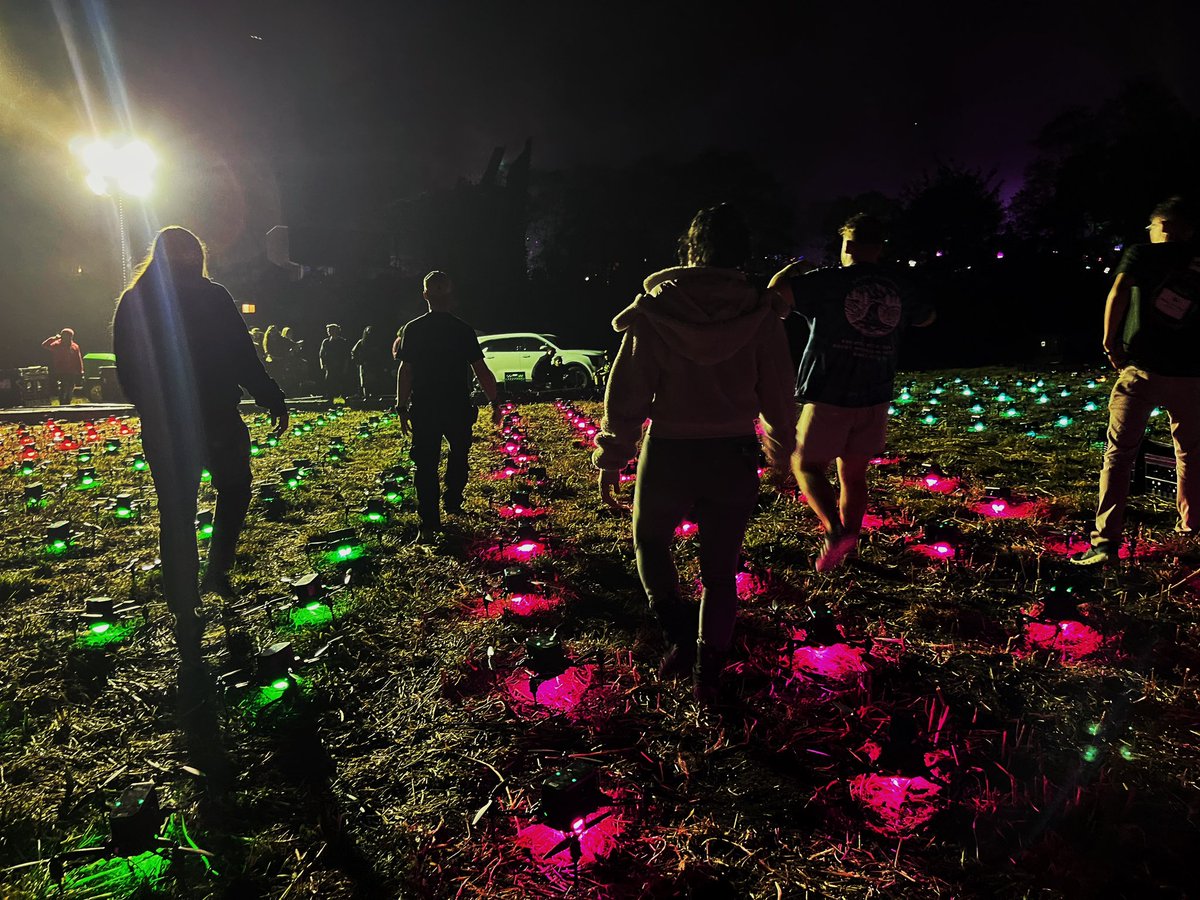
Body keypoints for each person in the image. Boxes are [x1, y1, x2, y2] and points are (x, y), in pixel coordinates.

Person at [592, 204, 796, 706]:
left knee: (650, 542)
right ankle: (708, 670)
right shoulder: (760, 313)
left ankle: (681, 639)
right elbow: (778, 392)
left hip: (669, 451)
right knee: (720, 570)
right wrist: (782, 454)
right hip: (732, 450)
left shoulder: (657, 310)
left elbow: (627, 393)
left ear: (691, 248)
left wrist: (613, 456)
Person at [113, 226, 289, 668]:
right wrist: (267, 394)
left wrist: (268, 394)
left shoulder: (146, 299)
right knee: (200, 501)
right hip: (199, 417)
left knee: (191, 504)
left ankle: (196, 590)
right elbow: (237, 354)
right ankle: (199, 586)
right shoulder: (174, 298)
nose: (189, 259)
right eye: (184, 252)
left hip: (185, 420)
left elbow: (239, 352)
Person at [769, 213, 935, 573]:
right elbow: (927, 318)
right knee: (854, 475)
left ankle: (835, 531)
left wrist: (789, 271)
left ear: (848, 246)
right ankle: (851, 545)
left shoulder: (829, 282)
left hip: (830, 392)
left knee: (806, 464)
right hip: (876, 394)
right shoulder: (898, 286)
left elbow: (773, 300)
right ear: (879, 247)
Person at [1073, 196, 1200, 565]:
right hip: (1191, 374)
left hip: (1142, 368)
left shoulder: (1142, 254)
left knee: (1120, 453)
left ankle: (1105, 542)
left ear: (1161, 226)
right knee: (1191, 453)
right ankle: (1191, 531)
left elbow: (1119, 292)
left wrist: (1110, 343)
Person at [395, 271, 500, 542]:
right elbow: (481, 369)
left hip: (425, 405)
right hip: (456, 404)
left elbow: (406, 371)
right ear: (450, 296)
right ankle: (453, 499)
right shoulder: (462, 330)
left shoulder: (413, 329)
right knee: (459, 454)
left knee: (426, 464)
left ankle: (429, 522)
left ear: (426, 295)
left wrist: (401, 406)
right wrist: (495, 402)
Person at [42, 328, 84, 404]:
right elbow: (45, 345)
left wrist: (80, 371)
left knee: (70, 387)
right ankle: (62, 402)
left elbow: (78, 359)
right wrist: (54, 338)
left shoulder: (75, 347)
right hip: (61, 371)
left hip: (72, 371)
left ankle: (68, 402)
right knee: (64, 387)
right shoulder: (57, 345)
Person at [352, 325, 392, 402]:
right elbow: (353, 352)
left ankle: (375, 396)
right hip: (364, 364)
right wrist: (358, 361)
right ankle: (366, 396)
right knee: (364, 381)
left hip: (374, 365)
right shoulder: (361, 342)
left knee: (375, 380)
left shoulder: (377, 343)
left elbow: (381, 354)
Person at [318, 323, 353, 398]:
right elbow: (321, 354)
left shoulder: (342, 342)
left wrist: (345, 367)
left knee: (340, 383)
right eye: (328, 330)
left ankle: (341, 398)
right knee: (329, 383)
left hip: (339, 366)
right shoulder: (326, 342)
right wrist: (322, 365)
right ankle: (330, 398)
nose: (329, 332)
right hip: (330, 367)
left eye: (331, 330)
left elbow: (346, 356)